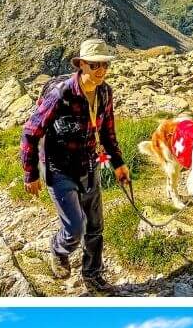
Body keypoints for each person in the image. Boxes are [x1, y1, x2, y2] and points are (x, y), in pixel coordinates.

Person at [21, 38, 132, 295]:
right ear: (81, 65)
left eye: (104, 65)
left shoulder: (105, 93)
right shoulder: (61, 94)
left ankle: (92, 274)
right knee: (75, 227)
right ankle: (59, 249)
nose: (101, 70)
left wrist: (119, 164)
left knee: (95, 226)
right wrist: (30, 173)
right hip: (59, 168)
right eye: (94, 65)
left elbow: (108, 133)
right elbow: (30, 132)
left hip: (89, 165)